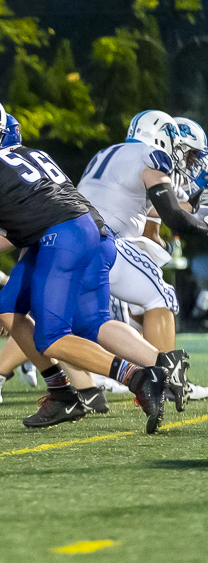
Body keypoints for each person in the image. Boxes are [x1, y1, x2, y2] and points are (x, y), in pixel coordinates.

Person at [0, 110, 186, 433]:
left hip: (62, 237)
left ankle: (138, 377)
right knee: (12, 308)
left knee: (52, 338)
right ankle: (68, 392)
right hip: (93, 232)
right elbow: (30, 218)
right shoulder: (28, 155)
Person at [76, 110, 208, 411]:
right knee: (160, 295)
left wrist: (196, 202)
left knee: (84, 323)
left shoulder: (107, 153)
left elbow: (158, 207)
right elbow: (173, 214)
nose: (176, 151)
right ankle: (166, 381)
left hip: (73, 243)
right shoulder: (151, 155)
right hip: (103, 242)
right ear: (160, 135)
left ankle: (83, 386)